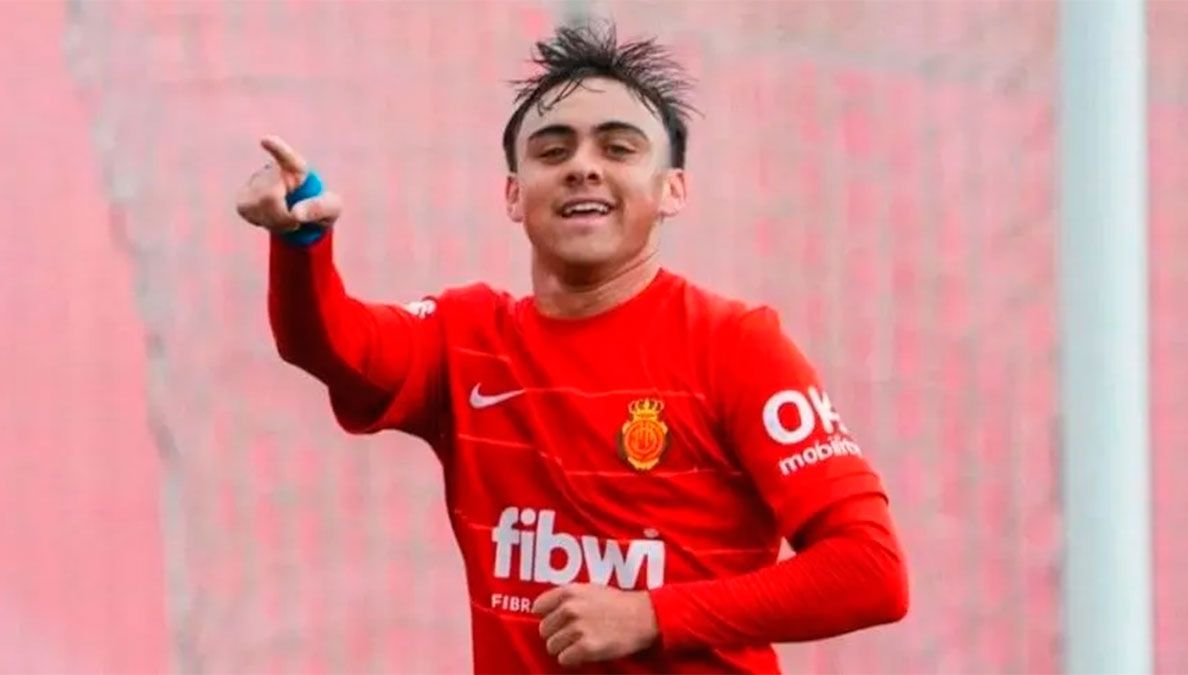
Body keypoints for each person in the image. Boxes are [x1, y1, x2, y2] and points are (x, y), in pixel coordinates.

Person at [236, 21, 908, 675]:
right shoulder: (466, 339)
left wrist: (652, 614)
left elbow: (871, 570)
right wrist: (300, 243)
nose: (583, 167)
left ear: (672, 189)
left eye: (618, 148)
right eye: (553, 151)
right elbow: (332, 345)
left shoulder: (737, 347)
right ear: (513, 194)